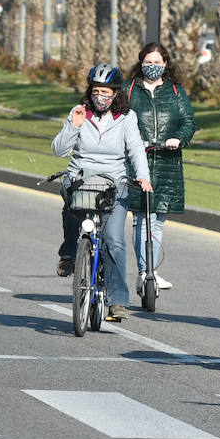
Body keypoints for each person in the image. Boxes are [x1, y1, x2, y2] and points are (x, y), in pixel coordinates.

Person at [51, 64, 153, 319]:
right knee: (68, 197)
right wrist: (73, 126)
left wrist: (143, 176)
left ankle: (117, 301)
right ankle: (70, 252)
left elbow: (136, 149)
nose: (100, 98)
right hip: (81, 178)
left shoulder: (127, 118)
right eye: (96, 92)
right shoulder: (79, 112)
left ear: (116, 94)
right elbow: (59, 151)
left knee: (114, 240)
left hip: (114, 182)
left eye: (105, 93)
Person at [121, 43, 196, 296]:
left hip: (167, 164)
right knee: (142, 219)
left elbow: (188, 122)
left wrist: (178, 138)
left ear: (165, 64)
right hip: (137, 163)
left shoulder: (175, 92)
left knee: (158, 221)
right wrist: (132, 142)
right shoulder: (129, 89)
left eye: (157, 62)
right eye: (148, 62)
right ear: (141, 62)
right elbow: (118, 119)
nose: (152, 66)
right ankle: (146, 271)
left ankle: (148, 271)